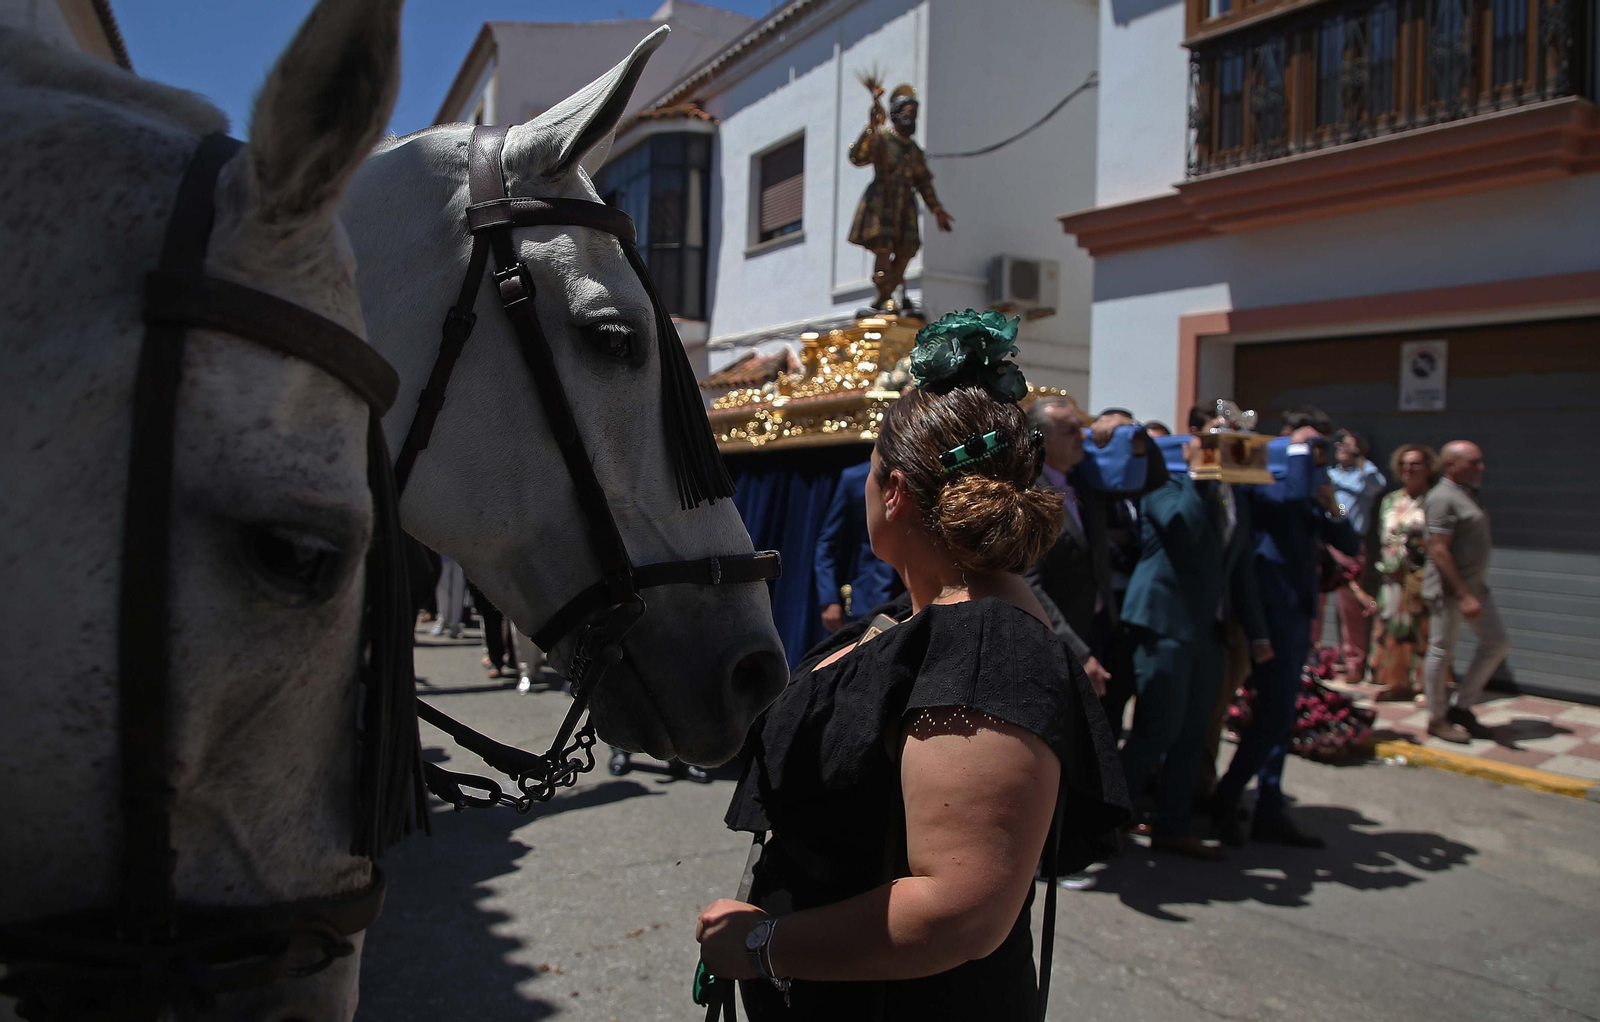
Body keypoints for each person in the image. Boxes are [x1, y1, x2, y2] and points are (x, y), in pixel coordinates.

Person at [696, 312, 1125, 1020]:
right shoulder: (928, 617)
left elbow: (957, 912)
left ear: (893, 491)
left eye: (868, 475)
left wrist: (762, 945)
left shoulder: (988, 646)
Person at [1119, 416, 1268, 860]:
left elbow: (1239, 572)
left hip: (1208, 631)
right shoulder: (1167, 486)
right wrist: (1202, 471)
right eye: (1211, 441)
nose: (1221, 448)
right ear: (1191, 447)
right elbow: (1183, 525)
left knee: (1194, 730)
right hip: (1164, 623)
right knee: (1157, 728)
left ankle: (1174, 825)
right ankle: (1102, 824)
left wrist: (1258, 633)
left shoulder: (1235, 497)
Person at [1208, 407, 1358, 849]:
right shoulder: (1271, 471)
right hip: (1264, 609)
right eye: (1309, 443)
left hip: (1296, 609)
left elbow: (1348, 544)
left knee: (1281, 713)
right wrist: (1295, 452)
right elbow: (1284, 499)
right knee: (1273, 712)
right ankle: (1227, 796)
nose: (1315, 452)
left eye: (1319, 446)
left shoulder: (1310, 481)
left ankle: (1268, 806)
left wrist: (1334, 505)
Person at [1420, 441, 1510, 743]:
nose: (1480, 468)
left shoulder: (1466, 495)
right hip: (1450, 591)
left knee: (1496, 643)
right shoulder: (1442, 498)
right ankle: (1436, 716)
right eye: (1474, 462)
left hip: (1474, 588)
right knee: (1440, 649)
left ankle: (1462, 706)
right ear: (1451, 464)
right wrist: (1462, 593)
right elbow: (1439, 550)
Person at [847, 84, 953, 310]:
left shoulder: (914, 149)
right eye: (908, 112)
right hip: (882, 200)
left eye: (915, 114)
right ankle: (884, 292)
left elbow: (923, 181)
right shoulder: (882, 137)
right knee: (883, 245)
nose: (912, 118)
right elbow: (858, 157)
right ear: (896, 113)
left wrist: (937, 210)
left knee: (908, 246)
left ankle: (895, 287)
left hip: (906, 201)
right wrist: (871, 128)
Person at [1369, 444, 1440, 701]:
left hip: (1420, 576)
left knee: (1423, 630)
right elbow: (1383, 537)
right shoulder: (1390, 500)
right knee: (1394, 629)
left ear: (1428, 468)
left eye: (1415, 464)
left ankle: (1424, 686)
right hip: (1392, 575)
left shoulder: (1434, 500)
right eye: (1403, 464)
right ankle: (1397, 683)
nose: (1408, 469)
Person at [1322, 429, 1386, 680]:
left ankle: (1354, 663)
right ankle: (1315, 658)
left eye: (1347, 445)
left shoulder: (1366, 477)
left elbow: (1376, 484)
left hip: (1348, 545)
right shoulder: (1329, 475)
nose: (1341, 447)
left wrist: (1358, 455)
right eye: (1339, 444)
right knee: (1316, 604)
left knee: (1350, 606)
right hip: (1323, 543)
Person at [815, 461, 902, 633]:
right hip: (868, 598)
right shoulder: (855, 478)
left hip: (913, 594)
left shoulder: (921, 470)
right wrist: (829, 599)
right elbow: (828, 544)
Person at [432, 554, 466, 639]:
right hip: (443, 551)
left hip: (460, 550)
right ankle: (443, 618)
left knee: (458, 586)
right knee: (442, 586)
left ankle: (455, 623)